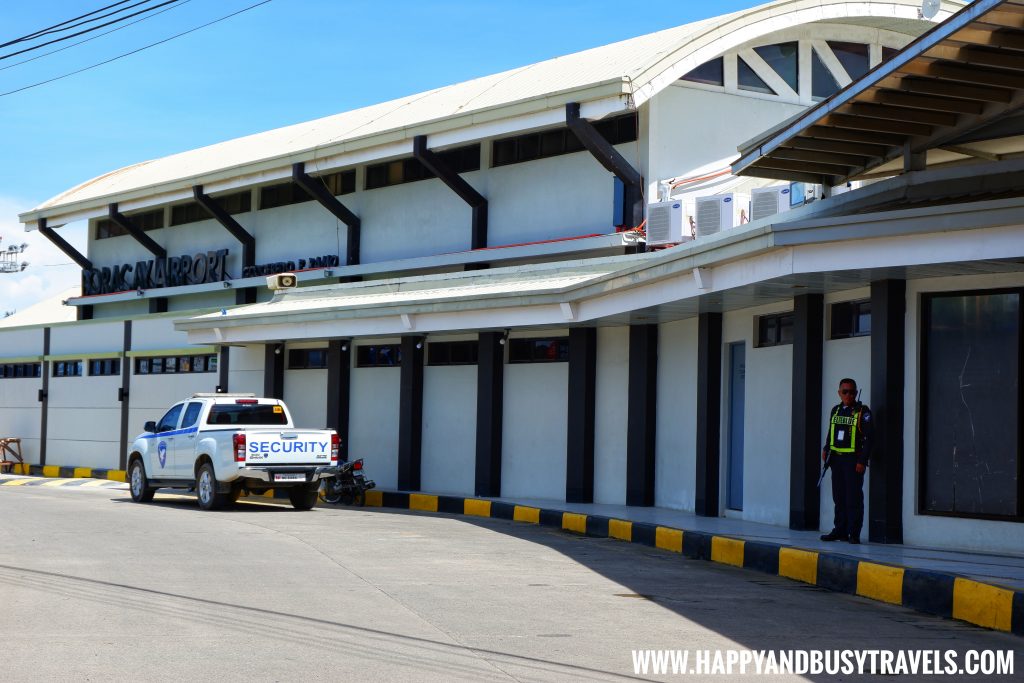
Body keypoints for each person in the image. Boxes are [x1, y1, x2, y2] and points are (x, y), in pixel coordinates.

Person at [820, 378, 872, 544]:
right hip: (836, 460)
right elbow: (831, 431)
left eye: (852, 392)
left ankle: (853, 533)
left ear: (856, 393)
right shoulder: (835, 410)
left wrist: (862, 461)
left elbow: (870, 439)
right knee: (839, 497)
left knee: (853, 498)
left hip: (853, 462)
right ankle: (840, 530)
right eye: (845, 392)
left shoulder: (863, 412)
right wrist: (826, 448)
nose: (849, 395)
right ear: (839, 393)